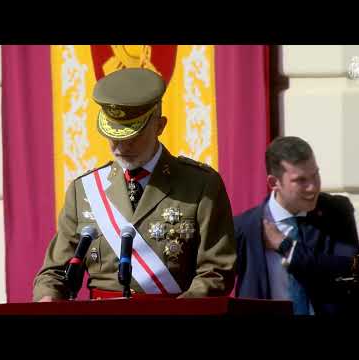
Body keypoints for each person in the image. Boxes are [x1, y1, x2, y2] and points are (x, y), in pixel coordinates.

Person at [33, 68, 236, 301]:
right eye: (113, 137)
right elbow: (55, 272)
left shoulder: (200, 185)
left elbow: (217, 271)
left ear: (160, 126)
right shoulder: (84, 190)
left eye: (132, 137)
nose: (120, 147)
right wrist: (48, 297)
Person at [234, 136, 359, 315]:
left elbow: (350, 267)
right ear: (273, 183)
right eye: (301, 180)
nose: (312, 187)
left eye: (315, 175)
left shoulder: (337, 211)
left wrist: (287, 247)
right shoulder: (245, 227)